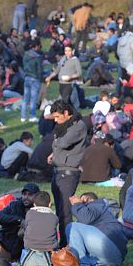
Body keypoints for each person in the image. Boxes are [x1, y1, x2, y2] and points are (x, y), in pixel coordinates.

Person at [48, 100, 87, 247]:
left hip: (68, 173)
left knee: (65, 212)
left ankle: (66, 246)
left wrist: (56, 144)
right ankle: (62, 242)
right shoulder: (65, 126)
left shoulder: (78, 126)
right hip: (58, 171)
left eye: (58, 117)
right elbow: (58, 144)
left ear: (66, 113)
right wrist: (54, 154)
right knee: (59, 211)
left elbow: (63, 143)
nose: (56, 121)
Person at [67, 192, 127, 266]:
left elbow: (85, 218)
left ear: (85, 198)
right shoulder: (103, 211)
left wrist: (77, 204)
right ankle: (102, 265)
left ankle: (82, 263)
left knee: (72, 226)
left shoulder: (96, 205)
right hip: (117, 257)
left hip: (108, 244)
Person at [0, 183, 38, 260]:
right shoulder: (15, 205)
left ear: (37, 196)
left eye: (30, 195)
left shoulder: (38, 212)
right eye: (24, 194)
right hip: (0, 239)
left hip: (11, 250)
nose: (26, 197)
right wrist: (19, 220)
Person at [19, 190, 57, 263]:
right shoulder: (54, 217)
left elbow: (26, 227)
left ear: (34, 204)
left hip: (30, 247)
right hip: (49, 249)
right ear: (49, 204)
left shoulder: (29, 213)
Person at [21, 41, 42, 122]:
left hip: (27, 77)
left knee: (25, 98)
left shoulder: (25, 55)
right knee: (33, 98)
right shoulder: (37, 57)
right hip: (35, 78)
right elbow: (39, 69)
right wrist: (40, 79)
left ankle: (23, 116)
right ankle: (33, 116)